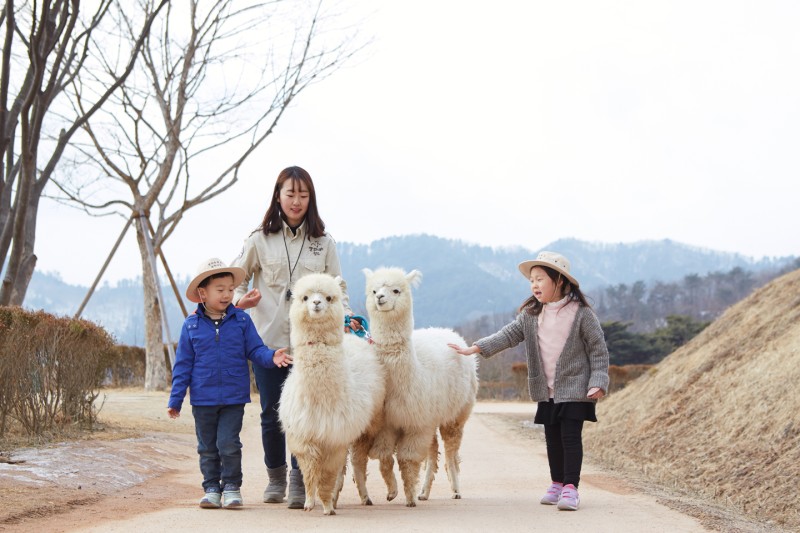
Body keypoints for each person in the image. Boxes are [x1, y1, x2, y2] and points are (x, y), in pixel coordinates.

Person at [231, 165, 361, 509]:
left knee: (309, 415)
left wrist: (345, 316)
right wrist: (238, 302)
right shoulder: (258, 239)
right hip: (268, 343)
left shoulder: (323, 242)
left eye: (303, 195)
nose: (296, 201)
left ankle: (301, 481)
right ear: (278, 196)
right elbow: (237, 280)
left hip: (311, 347)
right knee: (272, 412)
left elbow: (338, 287)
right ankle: (276, 477)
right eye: (290, 194)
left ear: (310, 199)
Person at [448, 251, 609, 511]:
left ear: (561, 282)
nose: (534, 285)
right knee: (552, 438)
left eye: (540, 279)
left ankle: (570, 488)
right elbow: (508, 335)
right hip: (546, 389)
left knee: (570, 437)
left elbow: (598, 349)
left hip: (577, 387)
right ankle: (556, 483)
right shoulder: (531, 316)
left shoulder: (581, 314)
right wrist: (475, 348)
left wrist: (599, 380)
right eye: (531, 280)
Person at [167, 258, 291, 510]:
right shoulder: (190, 326)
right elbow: (182, 366)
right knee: (207, 447)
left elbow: (256, 350)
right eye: (220, 290)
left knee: (229, 443)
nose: (227, 295)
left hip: (234, 398)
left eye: (230, 289)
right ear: (203, 292)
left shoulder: (242, 321)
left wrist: (272, 356)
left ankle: (232, 487)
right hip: (202, 400)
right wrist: (176, 400)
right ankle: (211, 488)